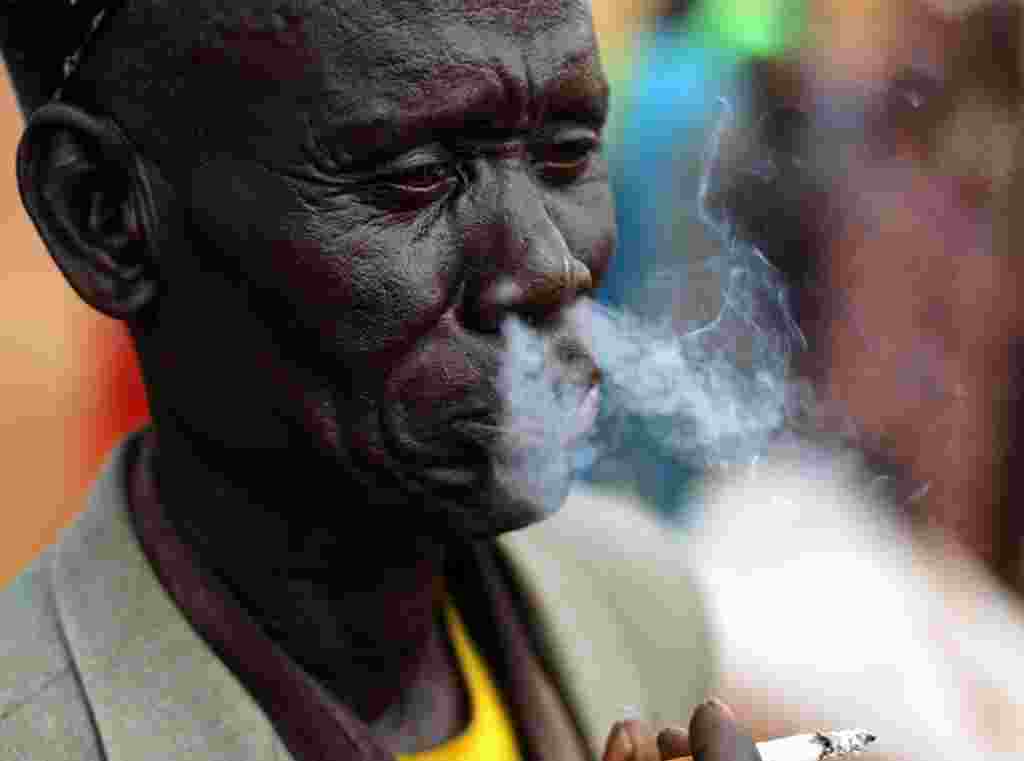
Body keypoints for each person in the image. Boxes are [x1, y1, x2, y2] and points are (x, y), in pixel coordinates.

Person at [0, 1, 762, 760]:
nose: (547, 266)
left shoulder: (638, 608)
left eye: (565, 152)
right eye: (419, 176)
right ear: (104, 214)